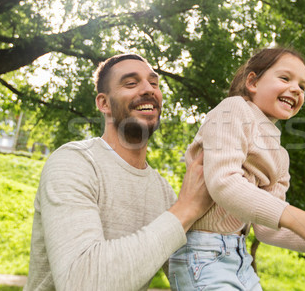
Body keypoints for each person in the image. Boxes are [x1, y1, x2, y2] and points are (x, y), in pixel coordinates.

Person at [168, 47, 305, 290]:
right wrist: (300, 217)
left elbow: (267, 230)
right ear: (252, 82)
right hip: (203, 256)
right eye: (285, 78)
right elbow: (224, 183)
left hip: (240, 260)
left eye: (303, 87)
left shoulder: (280, 157)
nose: (296, 89)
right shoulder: (232, 110)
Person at [24, 53, 213, 291]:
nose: (149, 89)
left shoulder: (162, 192)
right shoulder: (75, 162)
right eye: (131, 83)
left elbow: (194, 280)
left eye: (154, 83)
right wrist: (185, 209)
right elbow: (82, 283)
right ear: (104, 103)